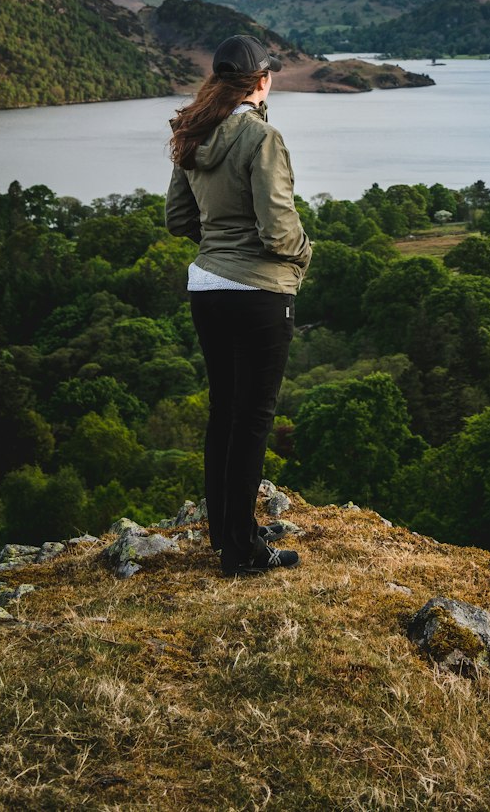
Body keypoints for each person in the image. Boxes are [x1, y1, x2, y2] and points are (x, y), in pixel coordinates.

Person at [165, 34, 313, 576]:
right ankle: (242, 552)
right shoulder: (262, 138)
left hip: (206, 287)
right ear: (261, 80)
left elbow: (180, 220)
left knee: (225, 414)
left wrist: (220, 242)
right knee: (253, 420)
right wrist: (303, 256)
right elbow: (279, 230)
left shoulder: (193, 135)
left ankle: (228, 533)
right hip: (258, 292)